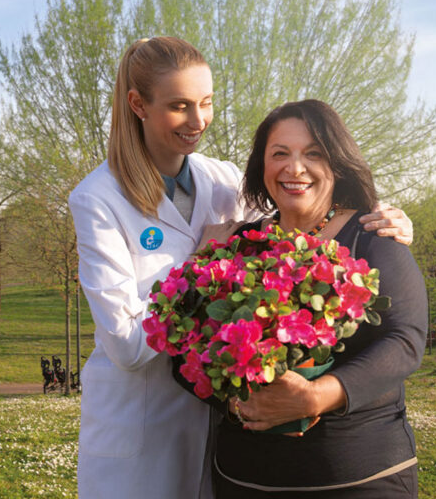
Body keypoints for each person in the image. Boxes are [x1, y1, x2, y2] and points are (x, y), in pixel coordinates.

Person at [69, 37, 414, 499]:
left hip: (224, 431)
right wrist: (198, 269)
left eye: (206, 103)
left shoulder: (223, 179)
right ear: (138, 104)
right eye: (179, 106)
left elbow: (301, 204)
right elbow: (127, 346)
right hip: (141, 421)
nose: (198, 122)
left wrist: (386, 214)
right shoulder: (97, 199)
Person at [201, 100, 428, 498]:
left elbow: (405, 340)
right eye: (279, 154)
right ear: (261, 166)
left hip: (359, 479)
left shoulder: (373, 237)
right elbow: (186, 350)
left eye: (313, 153)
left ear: (337, 164)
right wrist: (239, 406)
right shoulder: (235, 247)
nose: (295, 168)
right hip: (245, 479)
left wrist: (315, 397)